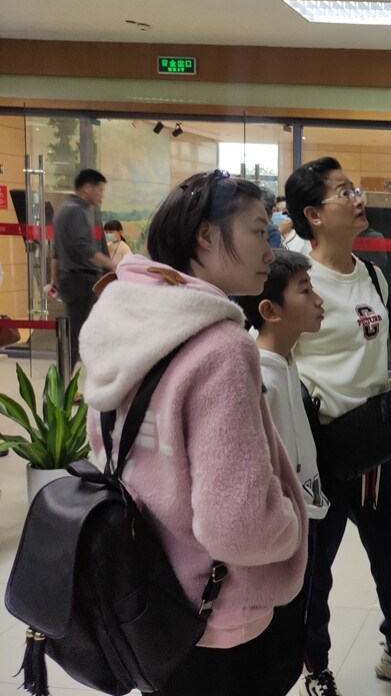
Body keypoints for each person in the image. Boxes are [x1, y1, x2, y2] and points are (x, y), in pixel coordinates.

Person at [78, 170, 308, 696]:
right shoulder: (221, 347)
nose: (270, 249)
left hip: (144, 590)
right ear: (206, 235)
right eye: (258, 230)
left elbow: (103, 444)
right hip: (218, 606)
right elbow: (239, 525)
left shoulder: (123, 318)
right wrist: (291, 524)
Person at [286, 157, 391, 695]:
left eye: (354, 188)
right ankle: (315, 667)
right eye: (343, 192)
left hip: (375, 445)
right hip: (322, 451)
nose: (357, 198)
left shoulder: (372, 275)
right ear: (313, 214)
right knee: (316, 569)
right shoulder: (295, 281)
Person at [236, 247, 330, 563]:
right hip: (283, 525)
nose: (318, 300)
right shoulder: (258, 374)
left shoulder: (285, 357)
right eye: (305, 291)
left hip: (307, 508)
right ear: (270, 310)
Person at [52, 168, 115, 365]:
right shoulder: (76, 211)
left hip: (70, 279)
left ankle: (66, 378)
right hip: (81, 281)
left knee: (77, 334)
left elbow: (56, 252)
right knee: (78, 337)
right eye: (100, 190)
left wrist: (55, 279)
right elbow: (85, 249)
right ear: (87, 188)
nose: (101, 195)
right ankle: (62, 381)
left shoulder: (63, 209)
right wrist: (114, 265)